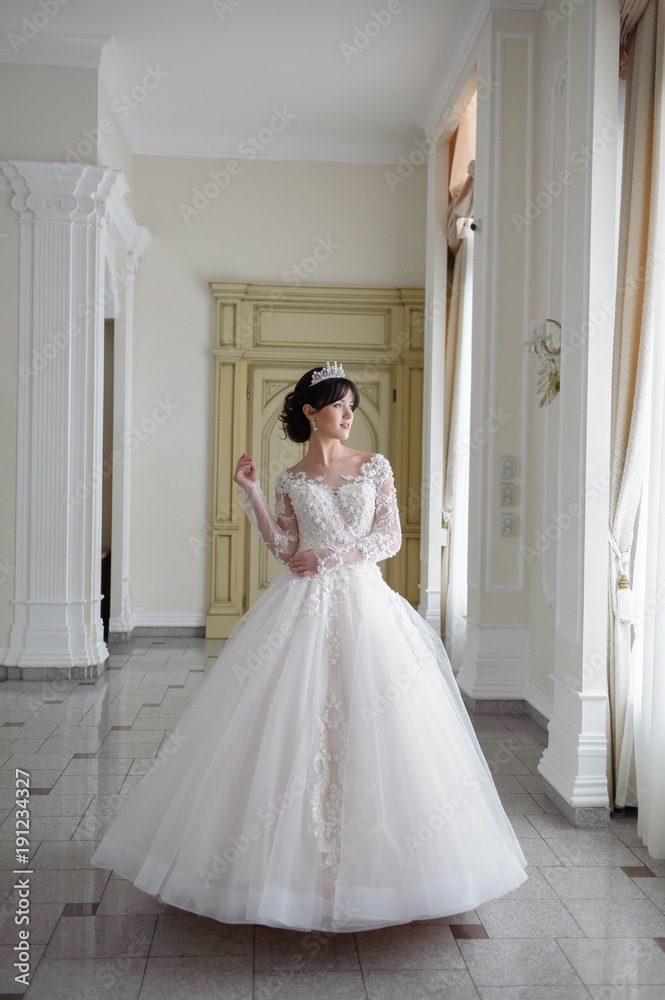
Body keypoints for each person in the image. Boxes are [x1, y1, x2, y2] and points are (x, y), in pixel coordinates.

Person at [91, 361, 527, 932]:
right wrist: (251, 493)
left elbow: (389, 537)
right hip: (302, 609)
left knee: (383, 729)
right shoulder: (291, 479)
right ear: (310, 411)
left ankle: (394, 871)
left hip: (367, 608)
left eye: (353, 408)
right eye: (340, 406)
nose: (349, 416)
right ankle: (279, 870)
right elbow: (285, 547)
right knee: (286, 725)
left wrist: (334, 556)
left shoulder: (375, 467)